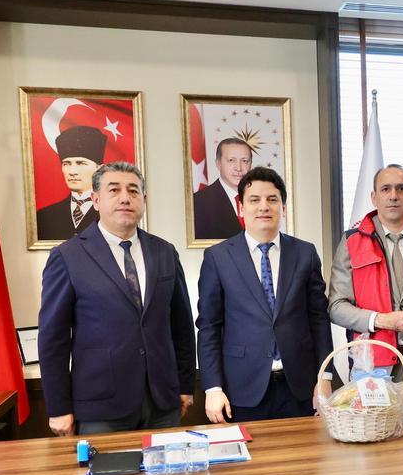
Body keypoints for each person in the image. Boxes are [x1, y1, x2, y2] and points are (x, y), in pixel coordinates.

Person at [39, 161, 196, 436]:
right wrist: (58, 407)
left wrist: (185, 385)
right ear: (95, 200)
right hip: (101, 406)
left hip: (162, 402)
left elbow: (182, 327)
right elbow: (53, 339)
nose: (125, 198)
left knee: (168, 467)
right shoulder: (67, 256)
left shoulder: (165, 252)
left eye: (133, 191)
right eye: (114, 190)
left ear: (144, 200)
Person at [197, 167, 332, 421]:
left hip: (300, 387)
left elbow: (319, 319)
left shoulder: (305, 253)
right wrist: (213, 388)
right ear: (241, 207)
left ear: (283, 207)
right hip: (241, 388)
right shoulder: (218, 257)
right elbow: (208, 327)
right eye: (254, 200)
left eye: (272, 199)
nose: (263, 207)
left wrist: (324, 376)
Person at [329, 164, 403, 408]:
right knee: (376, 433)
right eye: (386, 189)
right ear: (374, 197)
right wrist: (381, 320)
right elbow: (336, 307)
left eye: (401, 189)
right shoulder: (351, 242)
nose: (393, 196)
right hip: (373, 368)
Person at [36, 126, 105, 241]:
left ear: (100, 169)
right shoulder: (44, 216)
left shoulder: (111, 213)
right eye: (66, 164)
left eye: (81, 163)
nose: (72, 172)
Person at [193, 138, 253, 240]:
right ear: (218, 164)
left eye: (244, 161)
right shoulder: (198, 202)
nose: (238, 168)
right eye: (231, 160)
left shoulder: (260, 199)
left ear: (250, 164)